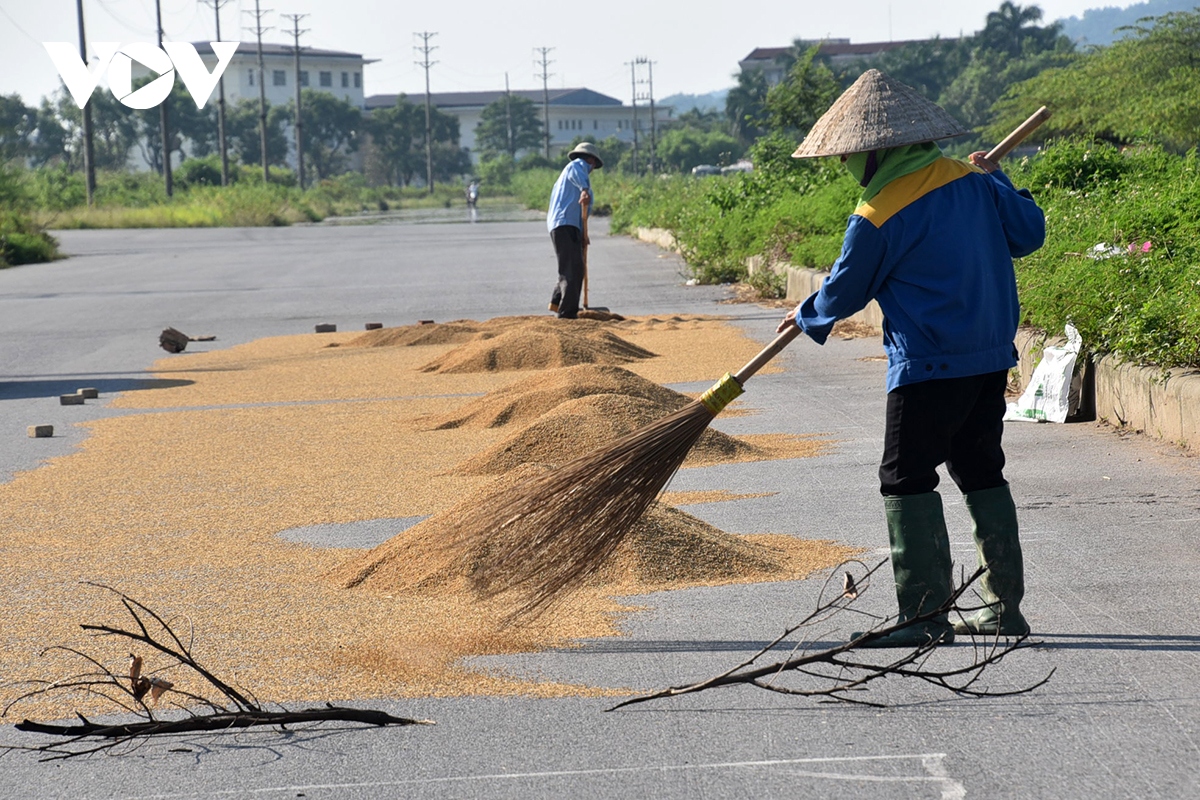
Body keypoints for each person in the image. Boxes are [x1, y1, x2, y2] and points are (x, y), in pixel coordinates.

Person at [776, 70, 1046, 647]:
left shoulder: (878, 214)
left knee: (904, 477)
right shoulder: (971, 181)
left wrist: (806, 313)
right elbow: (1028, 233)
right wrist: (1000, 178)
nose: (847, 165)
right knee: (980, 469)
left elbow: (847, 289)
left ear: (874, 154)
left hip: (927, 363)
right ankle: (1004, 608)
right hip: (989, 357)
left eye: (851, 156)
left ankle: (923, 616)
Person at [546, 142, 602, 319]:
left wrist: (583, 235)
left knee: (572, 265)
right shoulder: (577, 167)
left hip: (568, 225)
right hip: (564, 223)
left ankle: (556, 302)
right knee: (573, 269)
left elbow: (583, 212)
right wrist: (585, 190)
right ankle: (567, 313)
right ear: (591, 160)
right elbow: (579, 176)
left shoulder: (575, 178)